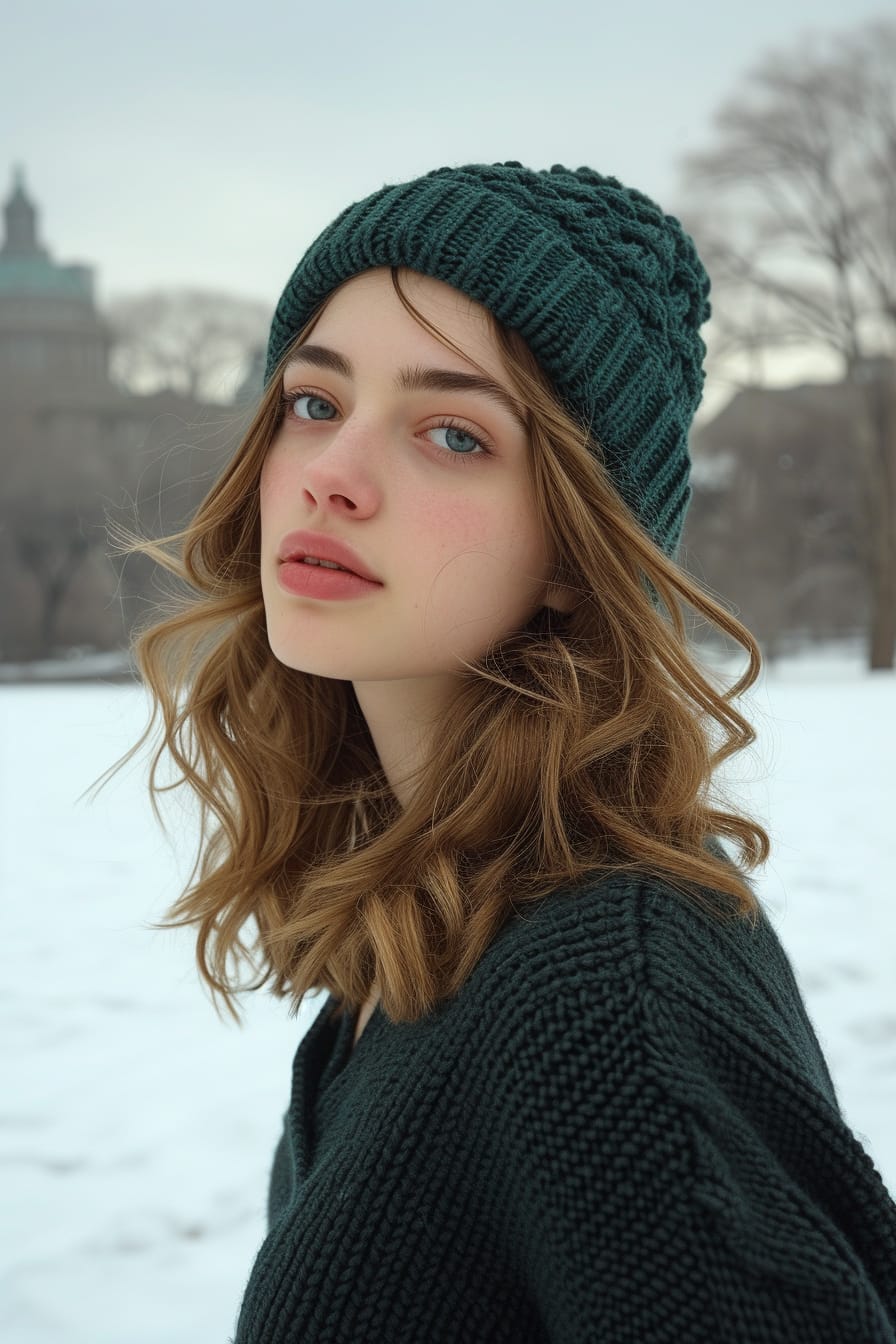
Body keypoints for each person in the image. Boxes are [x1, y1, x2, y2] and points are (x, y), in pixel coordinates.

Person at [117, 162, 896, 1342]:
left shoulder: (608, 997)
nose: (330, 475)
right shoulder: (432, 915)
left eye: (450, 433)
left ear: (578, 552)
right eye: (314, 404)